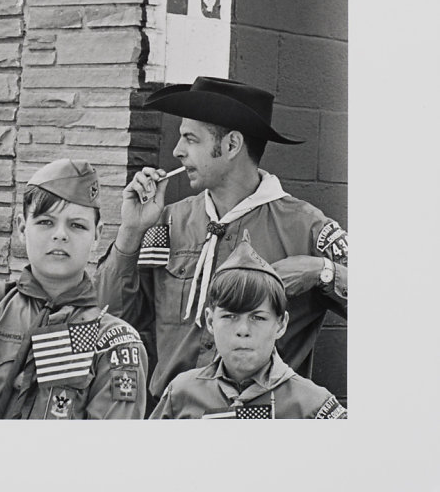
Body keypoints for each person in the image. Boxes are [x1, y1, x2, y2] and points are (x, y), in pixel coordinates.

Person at [95, 76, 348, 407]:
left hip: (261, 426)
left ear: (231, 146)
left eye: (190, 139)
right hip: (175, 418)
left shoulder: (306, 227)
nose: (177, 150)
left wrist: (323, 271)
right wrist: (130, 232)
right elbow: (110, 318)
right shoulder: (167, 222)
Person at [0, 158, 148, 419]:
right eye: (45, 222)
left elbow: (109, 452)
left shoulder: (113, 343)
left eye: (77, 225)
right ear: (22, 227)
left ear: (97, 235)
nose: (60, 235)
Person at [150, 232, 347, 418]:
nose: (243, 331)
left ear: (281, 325)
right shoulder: (180, 394)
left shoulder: (313, 405)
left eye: (258, 318)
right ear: (210, 321)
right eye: (229, 317)